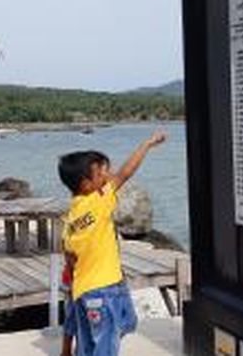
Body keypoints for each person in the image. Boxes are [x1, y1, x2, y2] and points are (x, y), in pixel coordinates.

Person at [59, 131, 166, 356]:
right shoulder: (97, 201)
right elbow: (126, 172)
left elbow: (69, 255)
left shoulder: (72, 214)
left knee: (112, 330)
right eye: (101, 172)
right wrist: (147, 144)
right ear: (86, 184)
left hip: (86, 290)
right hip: (104, 289)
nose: (108, 174)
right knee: (106, 344)